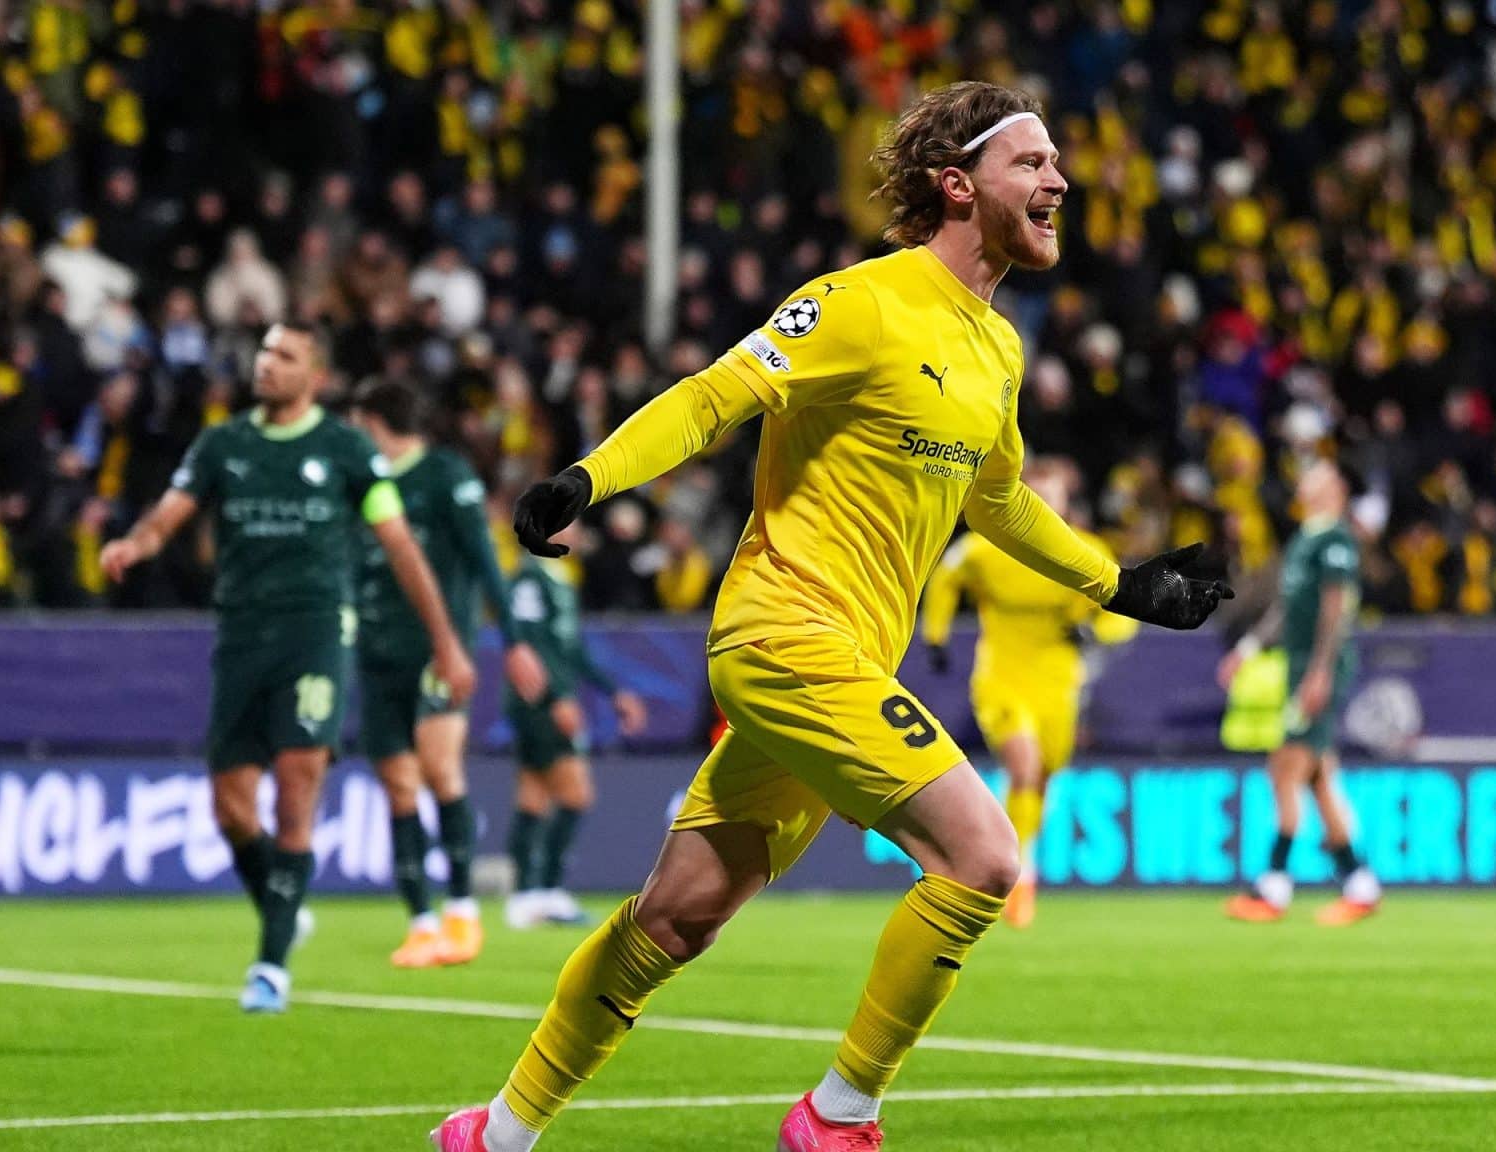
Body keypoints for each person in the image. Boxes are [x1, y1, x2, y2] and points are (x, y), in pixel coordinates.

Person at [432, 81, 1231, 1152]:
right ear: (959, 185)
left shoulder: (996, 349)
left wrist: (1118, 585)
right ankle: (838, 1117)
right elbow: (715, 395)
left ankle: (496, 1134)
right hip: (782, 635)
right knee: (983, 857)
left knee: (672, 920)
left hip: (849, 663)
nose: (1060, 180)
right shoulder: (858, 303)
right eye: (1032, 162)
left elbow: (996, 501)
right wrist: (588, 478)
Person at [99, 322, 475, 1013]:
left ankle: (270, 967)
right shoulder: (223, 445)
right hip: (242, 636)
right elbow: (169, 515)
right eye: (266, 352)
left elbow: (400, 546)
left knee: (297, 789)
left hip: (316, 635)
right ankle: (282, 903)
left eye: (285, 356)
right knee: (231, 808)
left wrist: (446, 642)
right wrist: (136, 543)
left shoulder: (347, 450)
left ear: (316, 377)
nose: (266, 364)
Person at [348, 378, 548, 969]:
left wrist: (513, 641)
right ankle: (420, 923)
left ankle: (461, 910)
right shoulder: (361, 480)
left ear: (373, 420)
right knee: (397, 784)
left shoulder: (444, 474)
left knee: (439, 768)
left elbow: (485, 560)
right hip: (377, 649)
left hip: (440, 651)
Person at [919, 458, 1137, 927]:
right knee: (1025, 766)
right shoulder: (986, 548)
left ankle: (1023, 861)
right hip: (1000, 678)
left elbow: (1122, 609)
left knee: (1041, 778)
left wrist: (1097, 632)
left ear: (1066, 504)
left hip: (1057, 684)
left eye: (1053, 499)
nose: (1046, 508)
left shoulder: (1086, 551)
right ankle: (1014, 878)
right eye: (1037, 499)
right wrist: (935, 634)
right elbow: (945, 578)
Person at [1217, 460, 1380, 926]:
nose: (1304, 481)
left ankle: (1274, 885)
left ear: (1336, 489)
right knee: (1317, 775)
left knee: (1286, 765)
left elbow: (1336, 607)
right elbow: (1287, 608)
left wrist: (1320, 671)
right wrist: (1248, 648)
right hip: (1299, 665)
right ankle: (1359, 884)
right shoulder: (1306, 538)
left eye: (1316, 475)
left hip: (1317, 667)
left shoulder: (1335, 540)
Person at [501, 524, 648, 929]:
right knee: (575, 794)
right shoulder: (529, 578)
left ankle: (529, 896)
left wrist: (613, 691)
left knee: (534, 796)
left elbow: (572, 648)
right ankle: (542, 892)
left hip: (547, 700)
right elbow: (528, 645)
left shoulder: (559, 577)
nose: (577, 530)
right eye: (567, 522)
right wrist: (556, 699)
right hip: (537, 702)